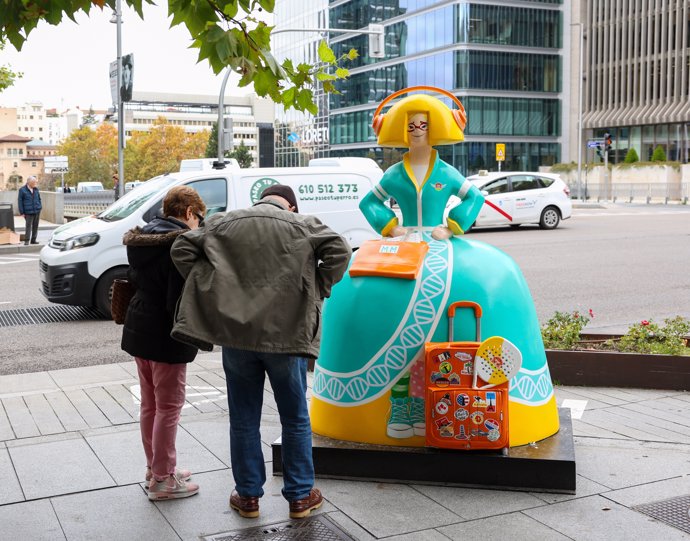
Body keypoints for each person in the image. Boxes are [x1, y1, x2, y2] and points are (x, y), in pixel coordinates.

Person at [309, 87, 561, 448]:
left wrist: (453, 224)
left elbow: (474, 197)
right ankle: (400, 407)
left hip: (441, 241)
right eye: (410, 125)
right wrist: (392, 227)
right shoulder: (395, 172)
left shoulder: (445, 171)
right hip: (405, 240)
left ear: (434, 128)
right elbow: (371, 202)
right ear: (399, 129)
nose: (416, 130)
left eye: (422, 124)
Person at [170, 184, 351, 519]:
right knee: (295, 417)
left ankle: (248, 496)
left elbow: (181, 247)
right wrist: (319, 284)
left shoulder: (224, 223)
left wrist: (212, 289)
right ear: (291, 207)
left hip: (237, 337)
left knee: (243, 418)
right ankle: (299, 496)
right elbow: (340, 250)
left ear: (261, 200)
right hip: (286, 335)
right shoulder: (303, 225)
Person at [120, 185, 206, 501]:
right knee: (169, 407)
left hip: (139, 327)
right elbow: (179, 298)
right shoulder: (179, 244)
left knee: (150, 405)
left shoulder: (143, 238)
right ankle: (164, 479)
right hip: (164, 334)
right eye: (199, 218)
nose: (200, 224)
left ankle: (155, 467)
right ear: (187, 213)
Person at [18, 176, 42, 245]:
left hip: (37, 210)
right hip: (28, 212)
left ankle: (33, 240)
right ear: (29, 183)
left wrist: (40, 207)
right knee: (28, 226)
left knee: (35, 226)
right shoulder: (22, 190)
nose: (35, 184)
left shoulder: (36, 189)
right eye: (34, 183)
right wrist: (21, 212)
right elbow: (20, 201)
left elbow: (39, 198)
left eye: (35, 183)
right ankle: (26, 240)